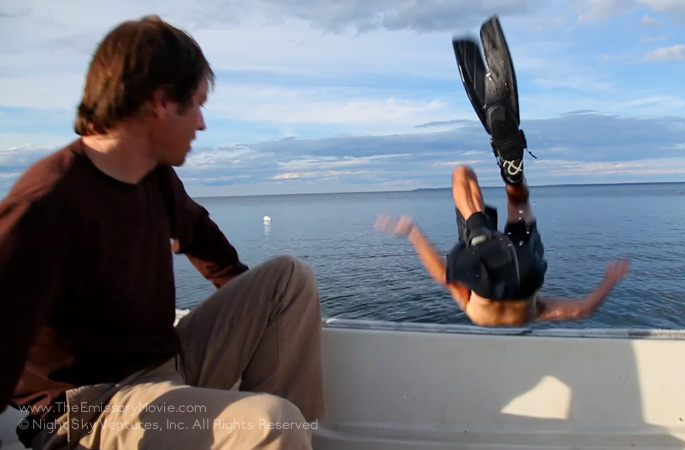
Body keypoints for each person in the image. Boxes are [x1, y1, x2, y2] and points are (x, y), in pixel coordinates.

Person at [0, 16, 324, 449]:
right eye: (197, 104)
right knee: (270, 422)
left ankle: (288, 439)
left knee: (288, 279)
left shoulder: (154, 177)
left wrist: (251, 324)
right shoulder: (47, 205)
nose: (203, 124)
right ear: (161, 102)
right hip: (90, 409)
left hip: (163, 369)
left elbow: (204, 240)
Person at [376, 165, 629, 327]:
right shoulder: (477, 309)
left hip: (525, 273)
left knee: (519, 208)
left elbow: (582, 311)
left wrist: (610, 280)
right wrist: (412, 232)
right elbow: (444, 277)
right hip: (483, 272)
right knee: (464, 185)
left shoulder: (534, 311)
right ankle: (476, 192)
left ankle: (513, 176)